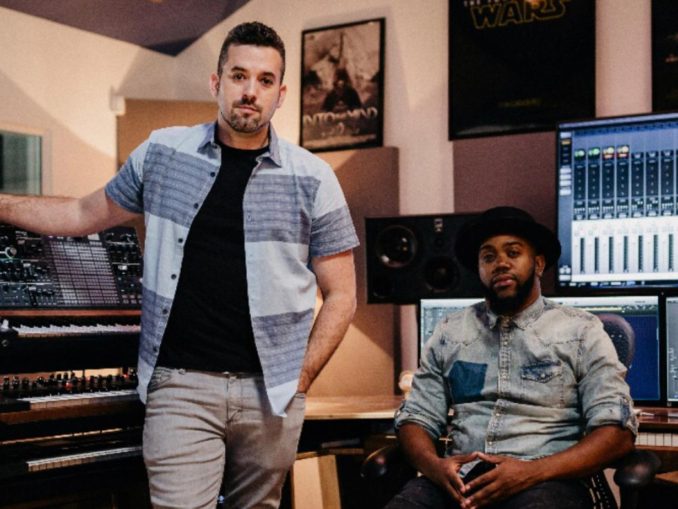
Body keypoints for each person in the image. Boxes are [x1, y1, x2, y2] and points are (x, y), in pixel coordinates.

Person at [0, 21, 358, 508]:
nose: (250, 91)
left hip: (271, 393)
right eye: (238, 76)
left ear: (280, 94)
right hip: (180, 385)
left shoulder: (314, 178)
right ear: (216, 82)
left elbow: (342, 294)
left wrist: (301, 379)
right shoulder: (162, 153)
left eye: (265, 80)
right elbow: (82, 214)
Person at [385, 206, 637, 509]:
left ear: (538, 263)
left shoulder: (581, 331)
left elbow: (617, 432)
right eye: (488, 257)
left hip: (546, 481)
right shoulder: (450, 332)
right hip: (460, 481)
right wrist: (435, 467)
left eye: (513, 253)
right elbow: (416, 418)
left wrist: (531, 472)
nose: (500, 264)